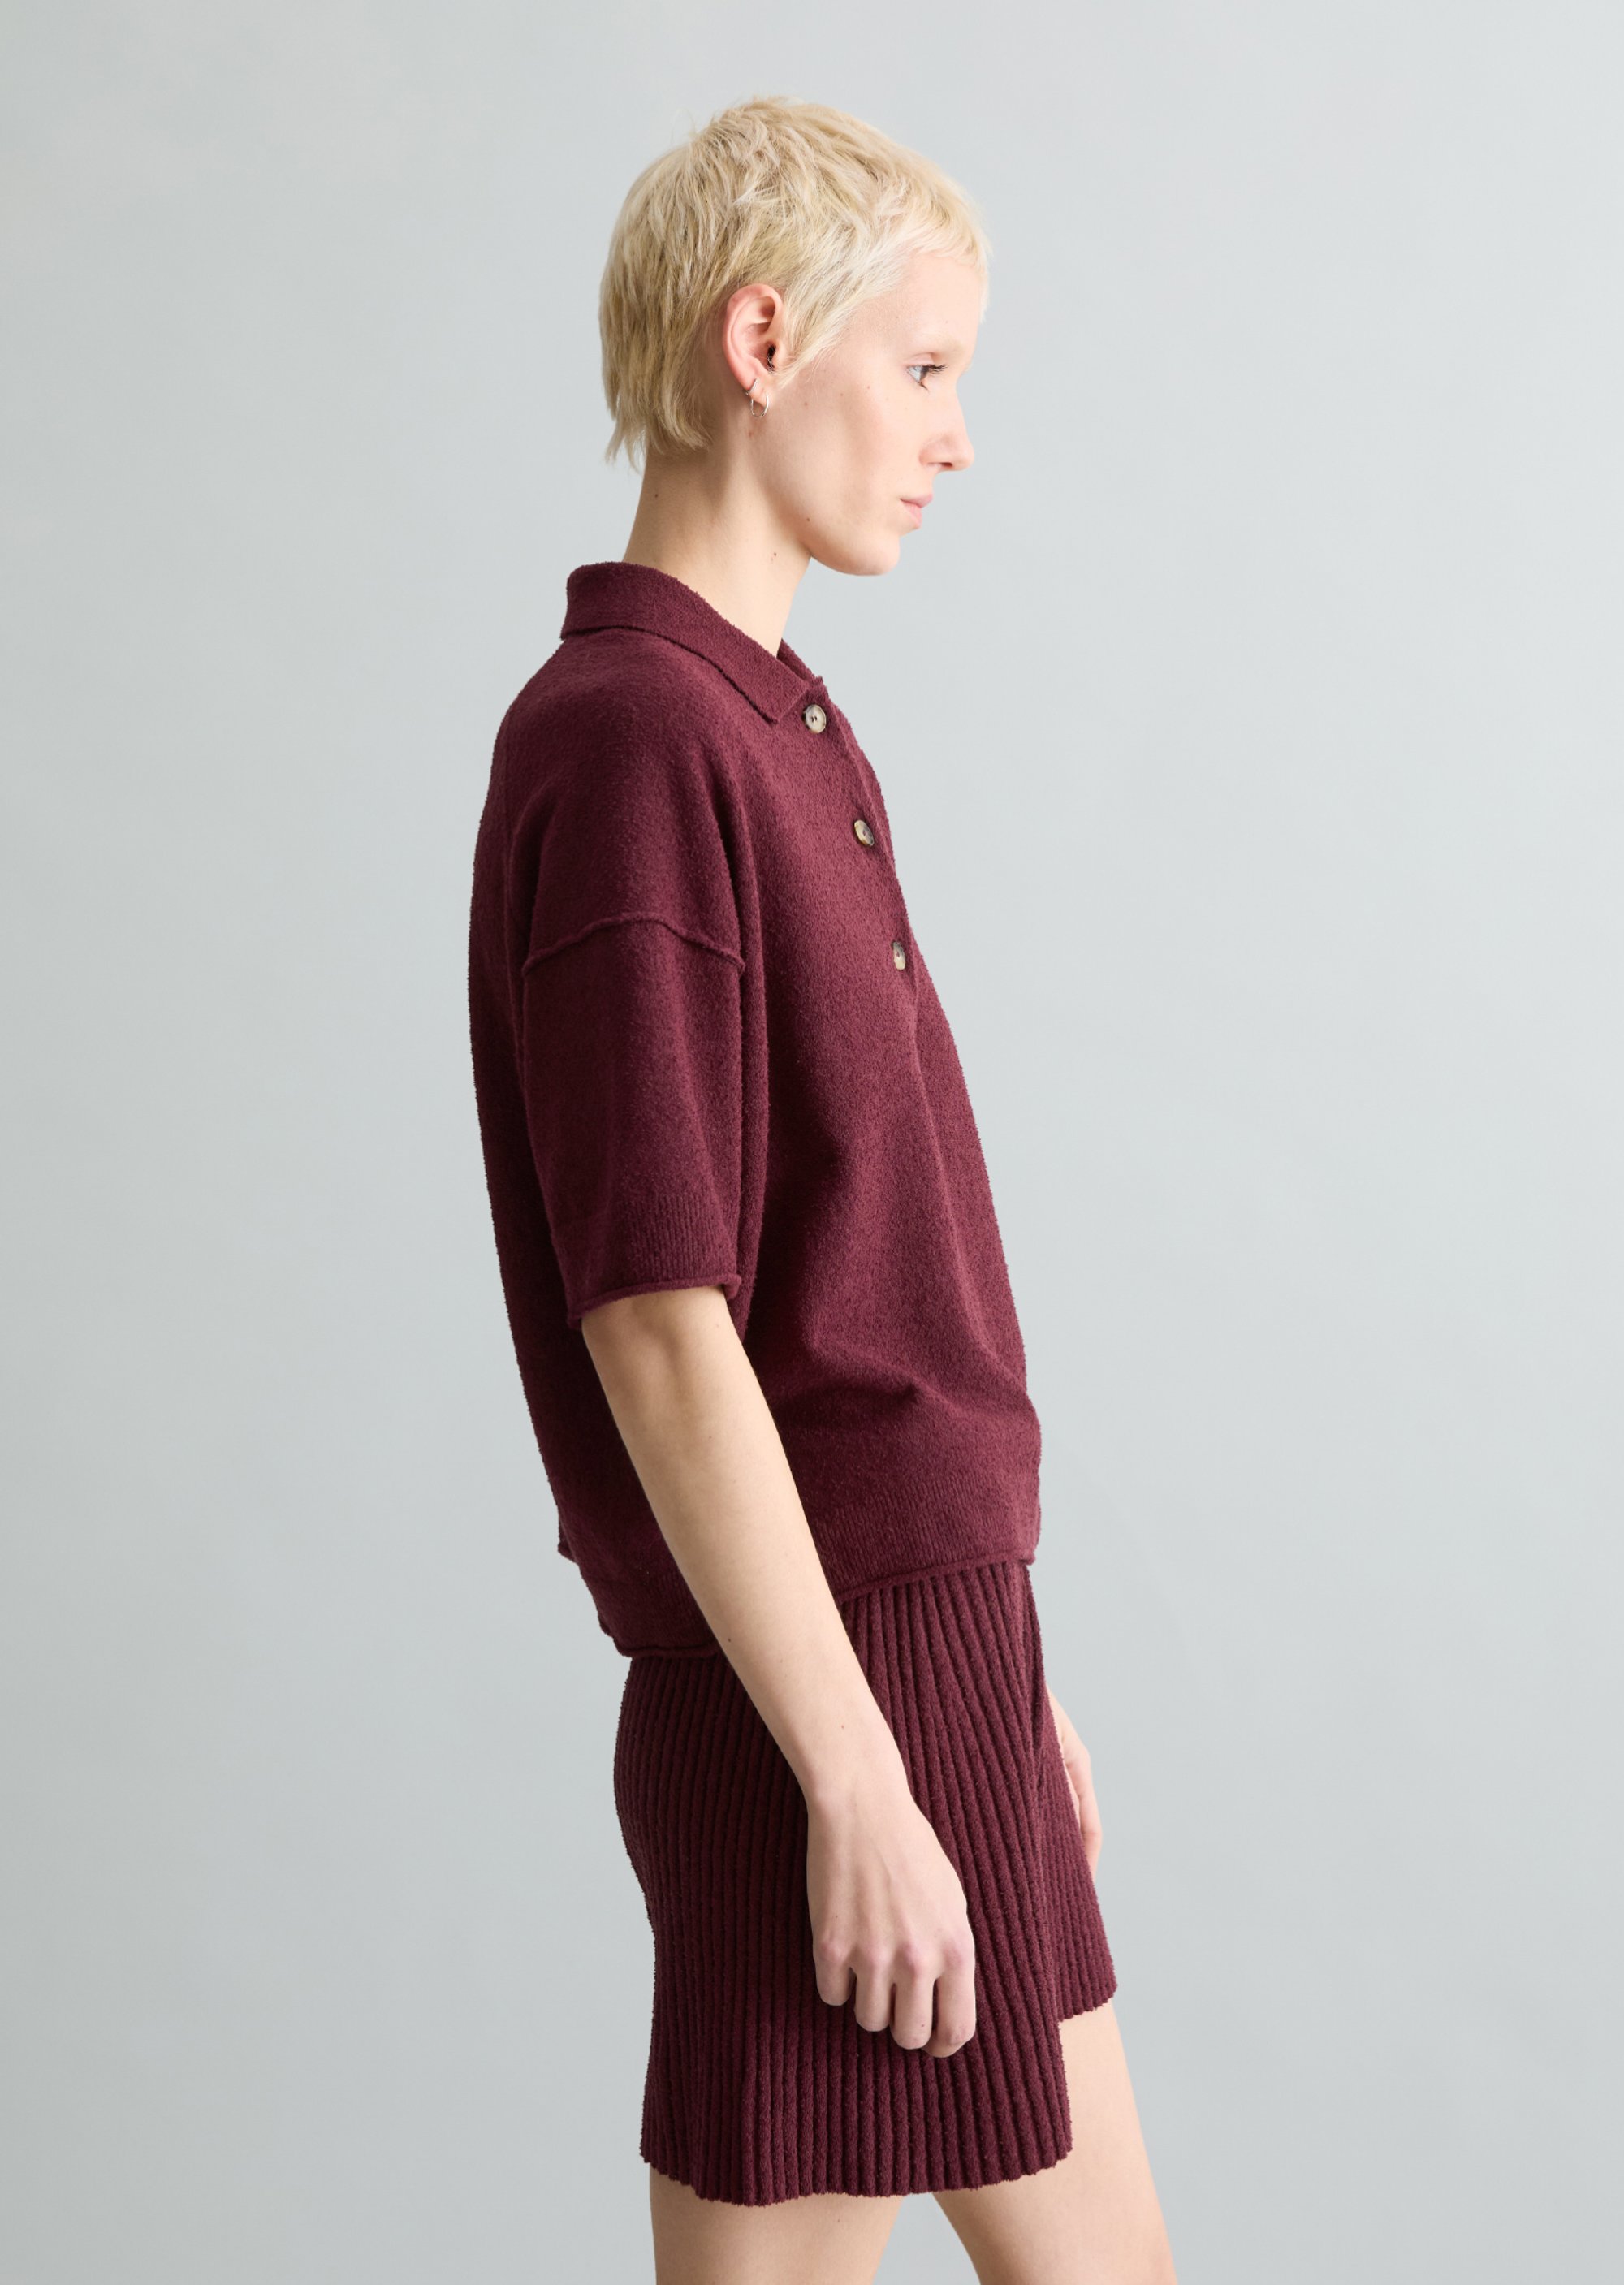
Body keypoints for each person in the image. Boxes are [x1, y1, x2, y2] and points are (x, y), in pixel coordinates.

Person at [467, 94, 1178, 2285]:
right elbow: (660, 1321)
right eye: (926, 365)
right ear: (764, 341)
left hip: (920, 1640)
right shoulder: (633, 740)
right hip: (820, 1684)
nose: (957, 436)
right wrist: (859, 1774)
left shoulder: (774, 726)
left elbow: (855, 1269)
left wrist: (1000, 1672)